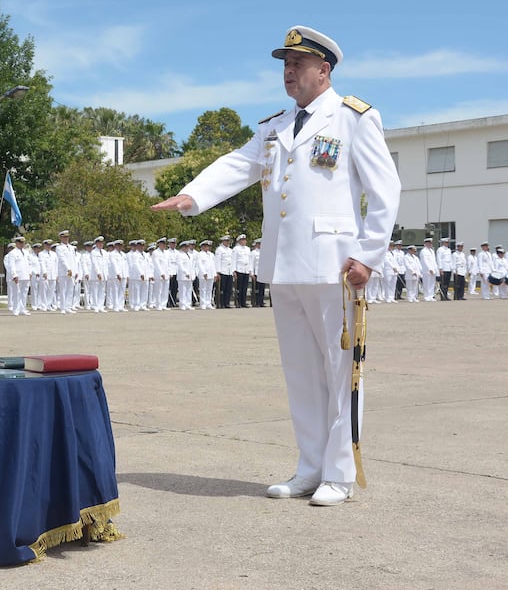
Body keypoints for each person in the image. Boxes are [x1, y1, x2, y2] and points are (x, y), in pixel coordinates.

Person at [152, 25, 400, 506]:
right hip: (284, 265)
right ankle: (310, 467)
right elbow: (239, 164)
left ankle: (340, 473)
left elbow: (385, 190)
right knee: (301, 374)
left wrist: (368, 254)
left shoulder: (353, 119)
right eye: (285, 64)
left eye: (298, 64)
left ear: (323, 70)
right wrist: (193, 195)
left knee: (341, 369)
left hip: (334, 266)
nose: (288, 72)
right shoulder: (274, 126)